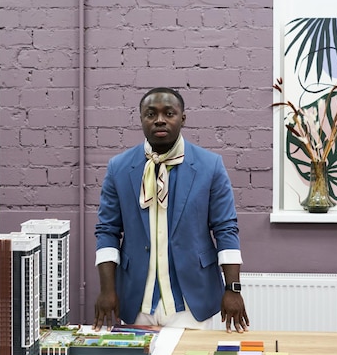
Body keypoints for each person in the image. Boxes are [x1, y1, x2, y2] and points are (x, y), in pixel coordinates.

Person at [92, 87, 250, 333]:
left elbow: (225, 229)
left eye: (169, 113)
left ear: (183, 118)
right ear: (141, 118)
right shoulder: (119, 168)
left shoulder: (210, 166)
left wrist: (233, 289)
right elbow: (107, 231)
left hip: (191, 302)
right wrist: (107, 290)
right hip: (136, 301)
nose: (160, 120)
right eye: (151, 114)